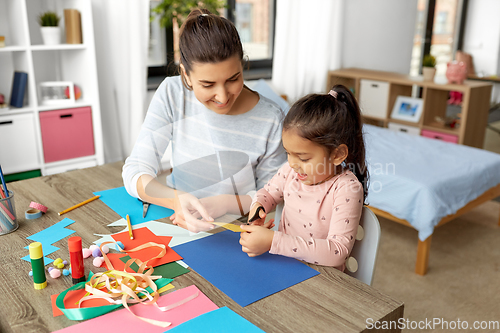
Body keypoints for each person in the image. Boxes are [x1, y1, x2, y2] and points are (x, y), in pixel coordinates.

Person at [122, 9, 286, 233]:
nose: (222, 96)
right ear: (186, 75)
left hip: (236, 228)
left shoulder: (271, 119)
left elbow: (272, 194)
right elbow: (136, 169)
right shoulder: (173, 93)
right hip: (173, 218)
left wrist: (225, 203)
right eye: (208, 84)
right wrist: (175, 200)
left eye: (233, 79)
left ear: (243, 65)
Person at [239, 85, 368, 271]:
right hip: (283, 266)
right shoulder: (291, 171)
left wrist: (273, 240)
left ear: (338, 154)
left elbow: (338, 251)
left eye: (303, 158)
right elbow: (268, 192)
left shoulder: (346, 188)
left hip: (321, 279)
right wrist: (258, 207)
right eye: (288, 153)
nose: (292, 163)